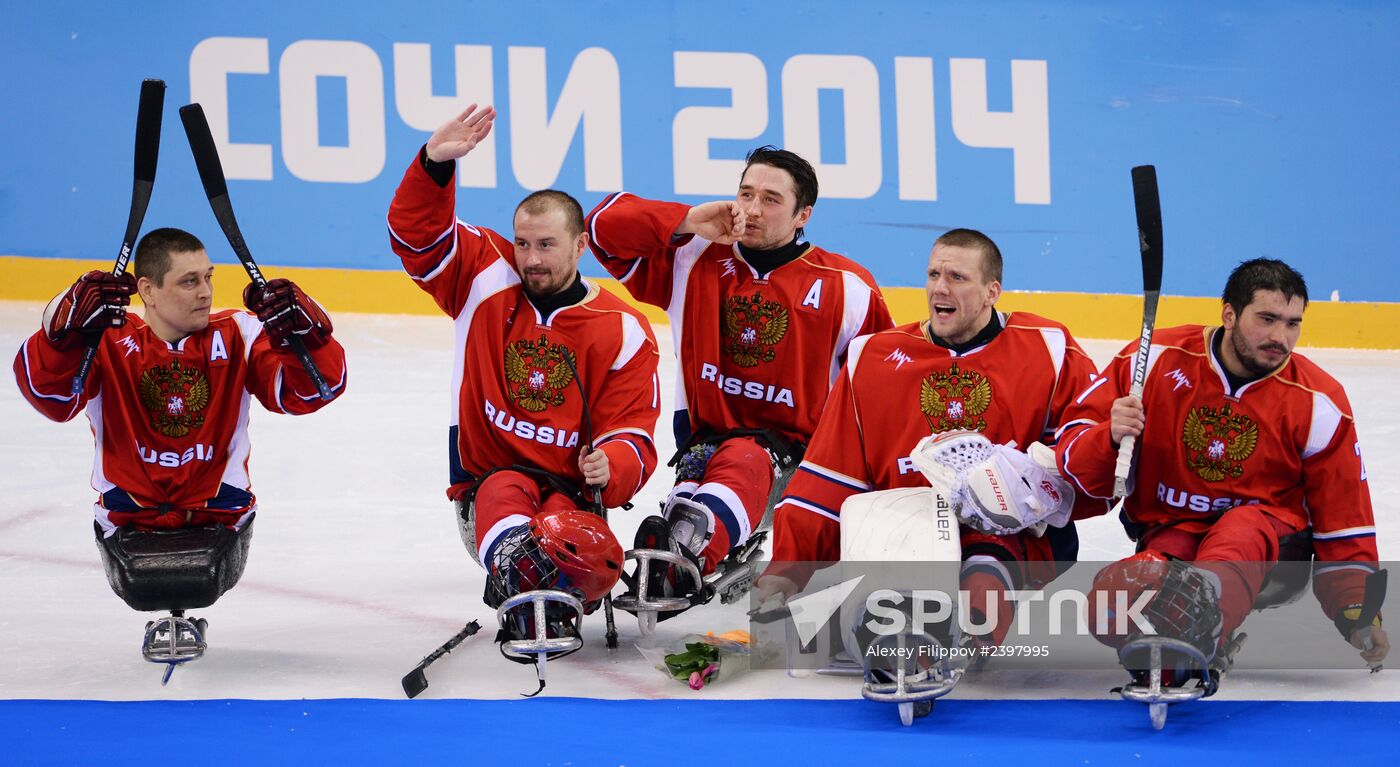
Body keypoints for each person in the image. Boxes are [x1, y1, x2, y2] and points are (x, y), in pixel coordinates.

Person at [756, 228, 1103, 647]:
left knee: (983, 567)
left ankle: (964, 638)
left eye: (957, 277)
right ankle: (902, 635)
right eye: (934, 274)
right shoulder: (873, 358)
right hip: (905, 526)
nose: (940, 287)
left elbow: (1084, 450)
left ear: (992, 292)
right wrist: (787, 569)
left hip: (1010, 535)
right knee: (886, 602)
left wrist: (1037, 482)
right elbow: (830, 473)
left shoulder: (1049, 348)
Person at [387, 104, 660, 629]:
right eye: (523, 243)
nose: (531, 259)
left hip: (570, 495)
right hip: (488, 484)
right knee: (504, 489)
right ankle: (523, 586)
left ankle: (547, 596)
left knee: (565, 532)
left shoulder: (623, 329)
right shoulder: (484, 275)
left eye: (546, 245)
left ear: (580, 246)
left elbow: (633, 429)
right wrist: (433, 164)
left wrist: (614, 464)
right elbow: (416, 237)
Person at [586, 145, 893, 610]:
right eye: (746, 194)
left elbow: (883, 392)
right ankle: (676, 549)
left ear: (803, 215)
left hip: (795, 466)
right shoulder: (693, 259)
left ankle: (686, 557)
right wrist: (688, 219)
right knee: (695, 484)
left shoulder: (848, 287)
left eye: (771, 199)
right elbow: (601, 228)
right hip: (702, 448)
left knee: (743, 459)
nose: (752, 209)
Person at [13, 226, 346, 651]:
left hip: (220, 515)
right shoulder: (106, 339)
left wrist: (306, 339)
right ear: (148, 290)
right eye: (189, 281)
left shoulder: (240, 333)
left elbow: (315, 391)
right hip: (129, 517)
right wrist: (61, 337)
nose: (205, 292)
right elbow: (51, 399)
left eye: (208, 277)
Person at [1055, 257, 1388, 669]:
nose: (1280, 337)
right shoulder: (1156, 358)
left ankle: (1205, 625)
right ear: (1229, 315)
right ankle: (1179, 632)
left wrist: (1355, 608)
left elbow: (1345, 516)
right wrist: (1107, 435)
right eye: (1267, 319)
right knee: (1113, 600)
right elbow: (1074, 456)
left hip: (1271, 550)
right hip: (1174, 532)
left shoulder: (1319, 401)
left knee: (1241, 527)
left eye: (1292, 324)